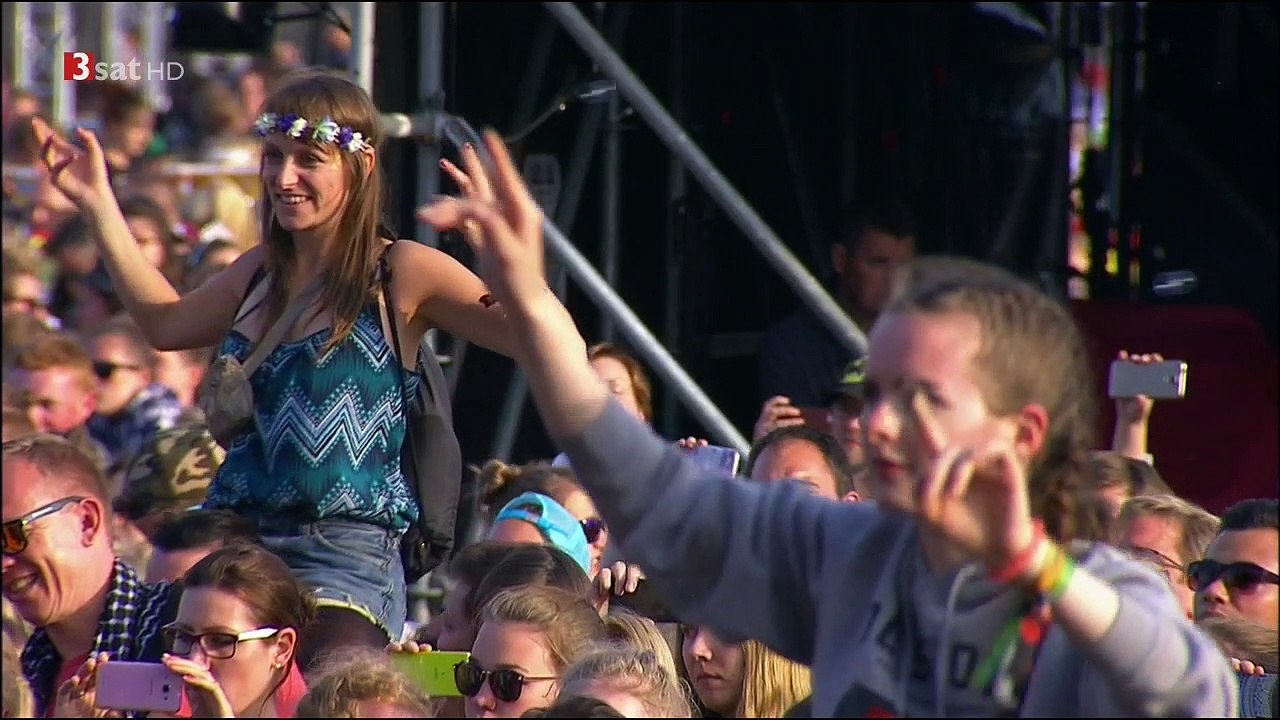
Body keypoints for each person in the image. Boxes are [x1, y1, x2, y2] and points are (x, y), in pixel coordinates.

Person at [415, 131, 1237, 716]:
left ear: (1019, 437)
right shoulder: (851, 555)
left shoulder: (1105, 589)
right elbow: (656, 498)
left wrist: (1037, 569)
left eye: (922, 398)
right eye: (874, 394)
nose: (877, 426)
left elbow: (1189, 688)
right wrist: (528, 300)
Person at [30, 69, 520, 665]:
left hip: (341, 555)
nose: (283, 178)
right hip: (234, 543)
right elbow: (165, 324)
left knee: (328, 691)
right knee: (136, 665)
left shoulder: (401, 272)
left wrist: (507, 256)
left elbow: (535, 336)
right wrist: (98, 203)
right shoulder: (261, 271)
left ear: (359, 168)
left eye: (308, 159)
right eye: (273, 156)